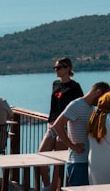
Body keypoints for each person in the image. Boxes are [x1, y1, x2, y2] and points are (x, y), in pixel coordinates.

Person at [52, 81, 110, 187]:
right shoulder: (76, 105)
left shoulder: (91, 108)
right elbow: (57, 125)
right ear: (98, 92)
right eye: (103, 98)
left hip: (88, 160)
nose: (103, 102)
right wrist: (72, 146)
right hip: (78, 161)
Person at [37, 58, 84, 191]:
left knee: (58, 161)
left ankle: (55, 187)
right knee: (41, 154)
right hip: (52, 125)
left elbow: (79, 106)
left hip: (65, 126)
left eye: (59, 67)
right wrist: (49, 122)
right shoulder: (55, 84)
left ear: (68, 68)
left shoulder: (74, 87)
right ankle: (47, 186)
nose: (56, 70)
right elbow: (53, 106)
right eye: (55, 68)